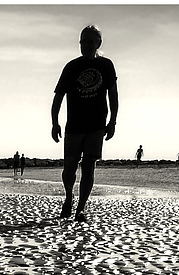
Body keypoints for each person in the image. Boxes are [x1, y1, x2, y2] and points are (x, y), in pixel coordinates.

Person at [51, 24, 118, 221]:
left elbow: (113, 96)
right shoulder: (72, 67)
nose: (86, 45)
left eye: (90, 41)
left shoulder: (106, 65)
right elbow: (58, 97)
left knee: (89, 166)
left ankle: (81, 208)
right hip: (74, 126)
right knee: (69, 168)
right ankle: (69, 197)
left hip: (97, 125)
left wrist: (113, 121)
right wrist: (54, 123)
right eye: (83, 41)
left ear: (98, 43)